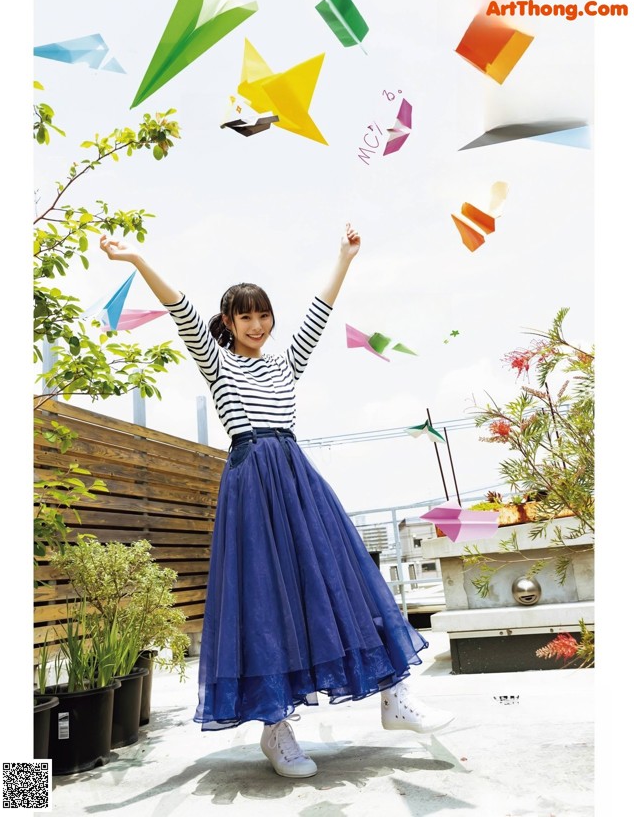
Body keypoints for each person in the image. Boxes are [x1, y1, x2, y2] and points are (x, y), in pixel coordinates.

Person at [99, 224, 454, 779]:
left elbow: (321, 309)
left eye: (263, 315)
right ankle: (276, 729)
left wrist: (344, 257)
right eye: (245, 316)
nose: (257, 325)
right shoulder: (217, 363)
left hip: (296, 480)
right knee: (263, 602)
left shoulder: (286, 363)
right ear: (228, 323)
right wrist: (138, 258)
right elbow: (178, 308)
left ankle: (395, 699)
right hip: (250, 486)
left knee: (344, 582)